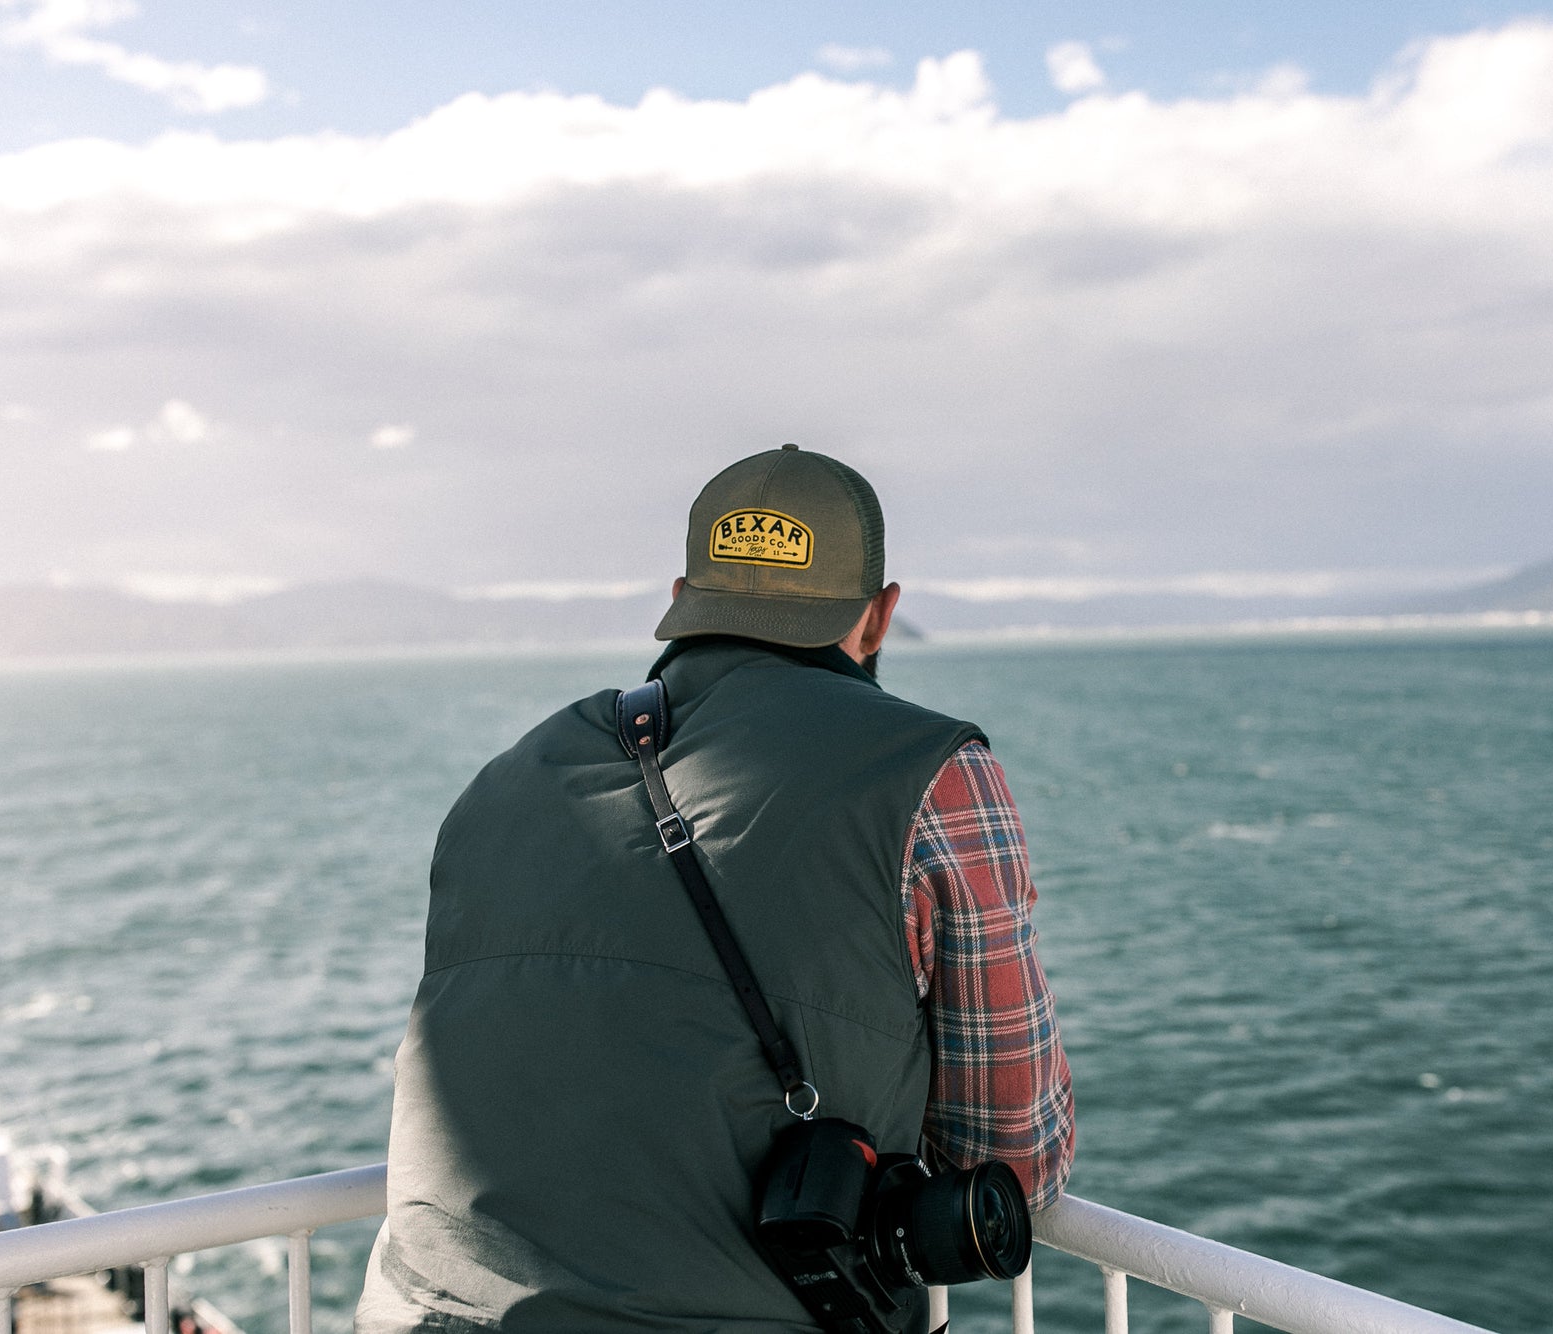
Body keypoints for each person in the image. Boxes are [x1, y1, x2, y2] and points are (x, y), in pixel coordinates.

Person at [356, 445, 1073, 1334]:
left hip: (427, 1311)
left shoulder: (503, 778)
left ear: (679, 602)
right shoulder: (933, 776)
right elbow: (1014, 1156)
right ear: (880, 617)